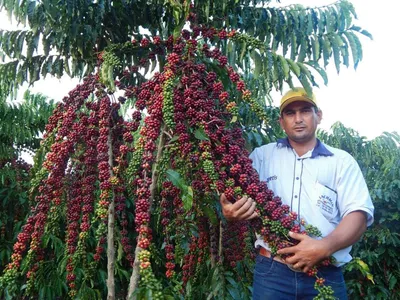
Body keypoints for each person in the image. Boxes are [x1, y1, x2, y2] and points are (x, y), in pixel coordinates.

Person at [219, 87, 374, 299]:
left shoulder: (341, 162)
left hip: (325, 271)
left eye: (305, 111)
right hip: (272, 273)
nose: (298, 119)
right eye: (290, 113)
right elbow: (233, 191)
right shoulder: (261, 157)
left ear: (318, 115)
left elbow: (358, 215)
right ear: (281, 121)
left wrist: (324, 247)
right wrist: (228, 208)